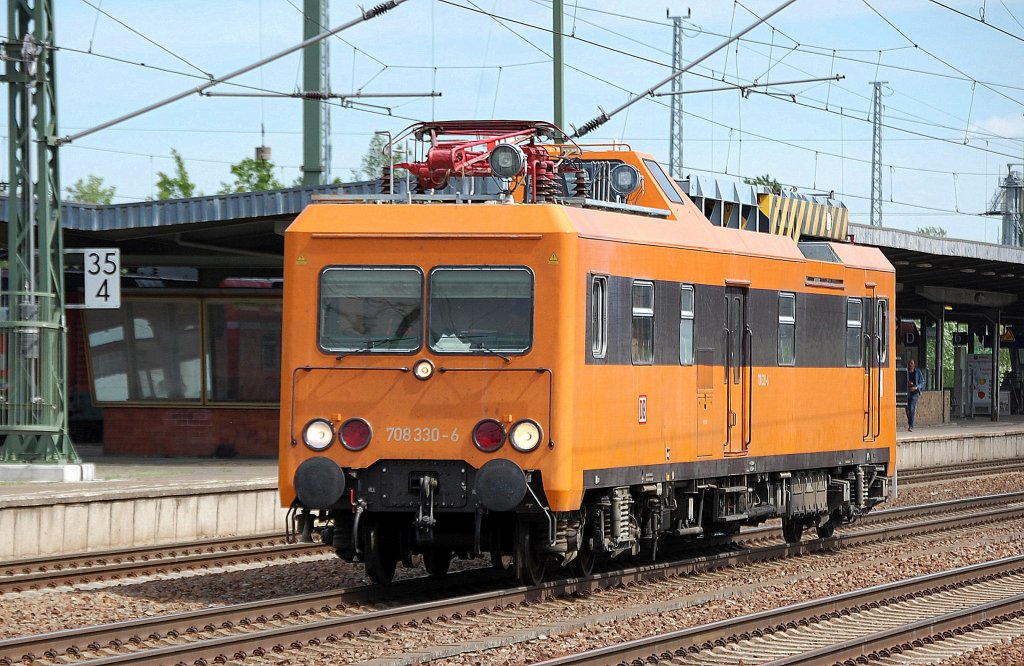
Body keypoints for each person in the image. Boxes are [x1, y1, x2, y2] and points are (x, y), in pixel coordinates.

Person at [906, 358, 924, 431]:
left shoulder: (917, 372)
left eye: (912, 363)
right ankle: (910, 422)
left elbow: (922, 381)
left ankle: (911, 425)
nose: (910, 365)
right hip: (907, 391)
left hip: (915, 392)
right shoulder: (906, 372)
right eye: (909, 363)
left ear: (914, 365)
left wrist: (916, 387)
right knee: (907, 408)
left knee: (912, 407)